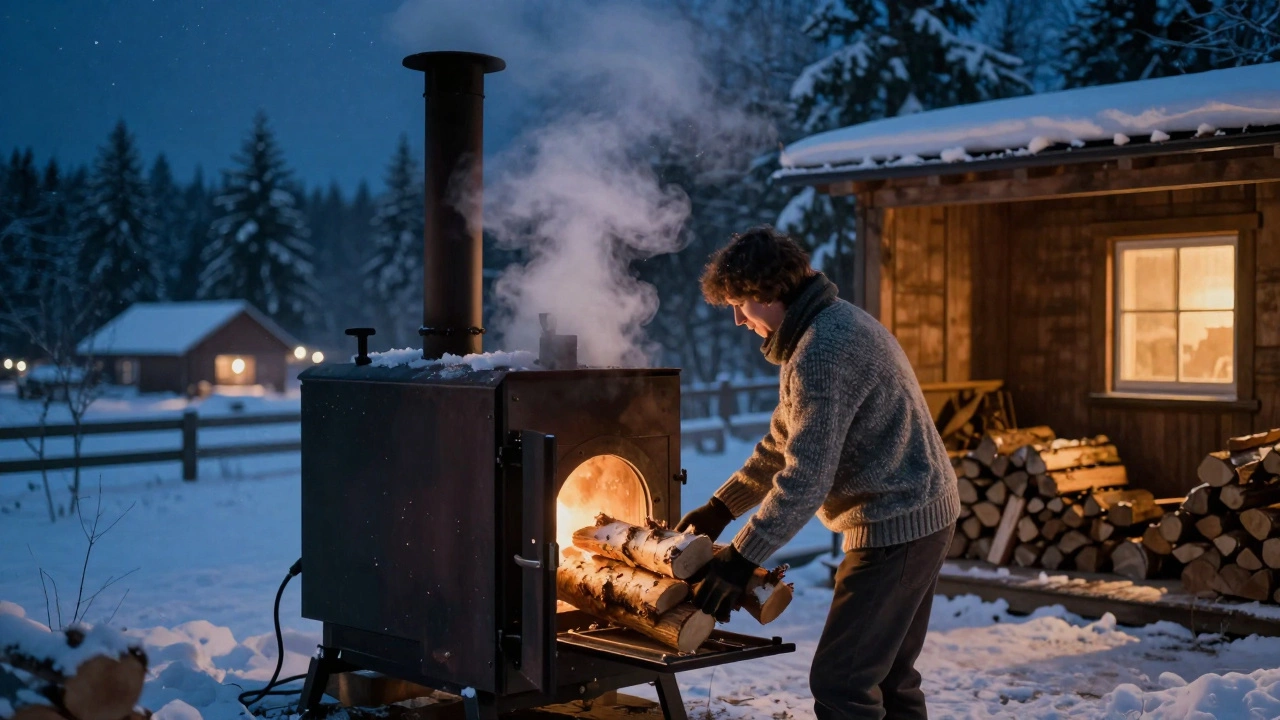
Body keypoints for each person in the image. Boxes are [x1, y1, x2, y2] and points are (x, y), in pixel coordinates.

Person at [678, 225, 959, 720]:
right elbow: (782, 444)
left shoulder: (822, 352)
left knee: (842, 682)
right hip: (916, 512)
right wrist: (721, 507)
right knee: (888, 676)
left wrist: (742, 557)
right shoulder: (824, 328)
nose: (740, 321)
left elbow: (806, 480)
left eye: (739, 305)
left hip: (896, 525)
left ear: (766, 293)